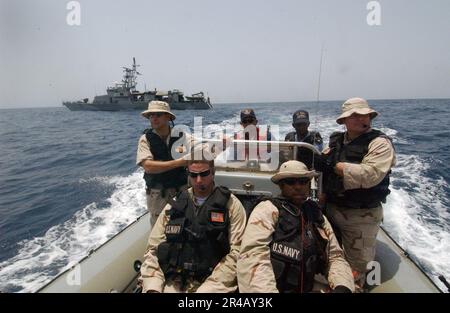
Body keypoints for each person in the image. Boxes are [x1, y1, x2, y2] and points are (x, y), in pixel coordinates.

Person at [237, 160, 355, 293]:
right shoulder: (268, 210)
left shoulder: (316, 215)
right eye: (291, 182)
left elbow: (335, 256)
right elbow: (253, 257)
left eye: (303, 181)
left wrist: (342, 285)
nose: (298, 187)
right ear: (281, 185)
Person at [140, 154, 247, 293]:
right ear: (188, 175)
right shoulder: (176, 204)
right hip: (175, 278)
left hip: (214, 280)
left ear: (213, 173)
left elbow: (238, 252)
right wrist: (153, 286)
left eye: (204, 174)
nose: (199, 180)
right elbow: (153, 249)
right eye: (194, 175)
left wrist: (209, 287)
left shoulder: (230, 205)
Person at [322, 97, 396, 289]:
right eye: (354, 115)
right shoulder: (336, 140)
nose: (362, 118)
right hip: (331, 209)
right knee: (328, 256)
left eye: (365, 115)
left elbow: (370, 175)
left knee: (357, 271)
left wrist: (335, 165)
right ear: (344, 121)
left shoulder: (380, 143)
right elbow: (323, 169)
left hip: (360, 217)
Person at [136, 100, 191, 227]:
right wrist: (180, 162)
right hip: (158, 196)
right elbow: (148, 166)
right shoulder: (145, 139)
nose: (154, 118)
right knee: (159, 232)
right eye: (151, 115)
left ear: (168, 117)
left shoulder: (182, 137)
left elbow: (199, 146)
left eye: (158, 115)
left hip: (181, 191)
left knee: (185, 225)